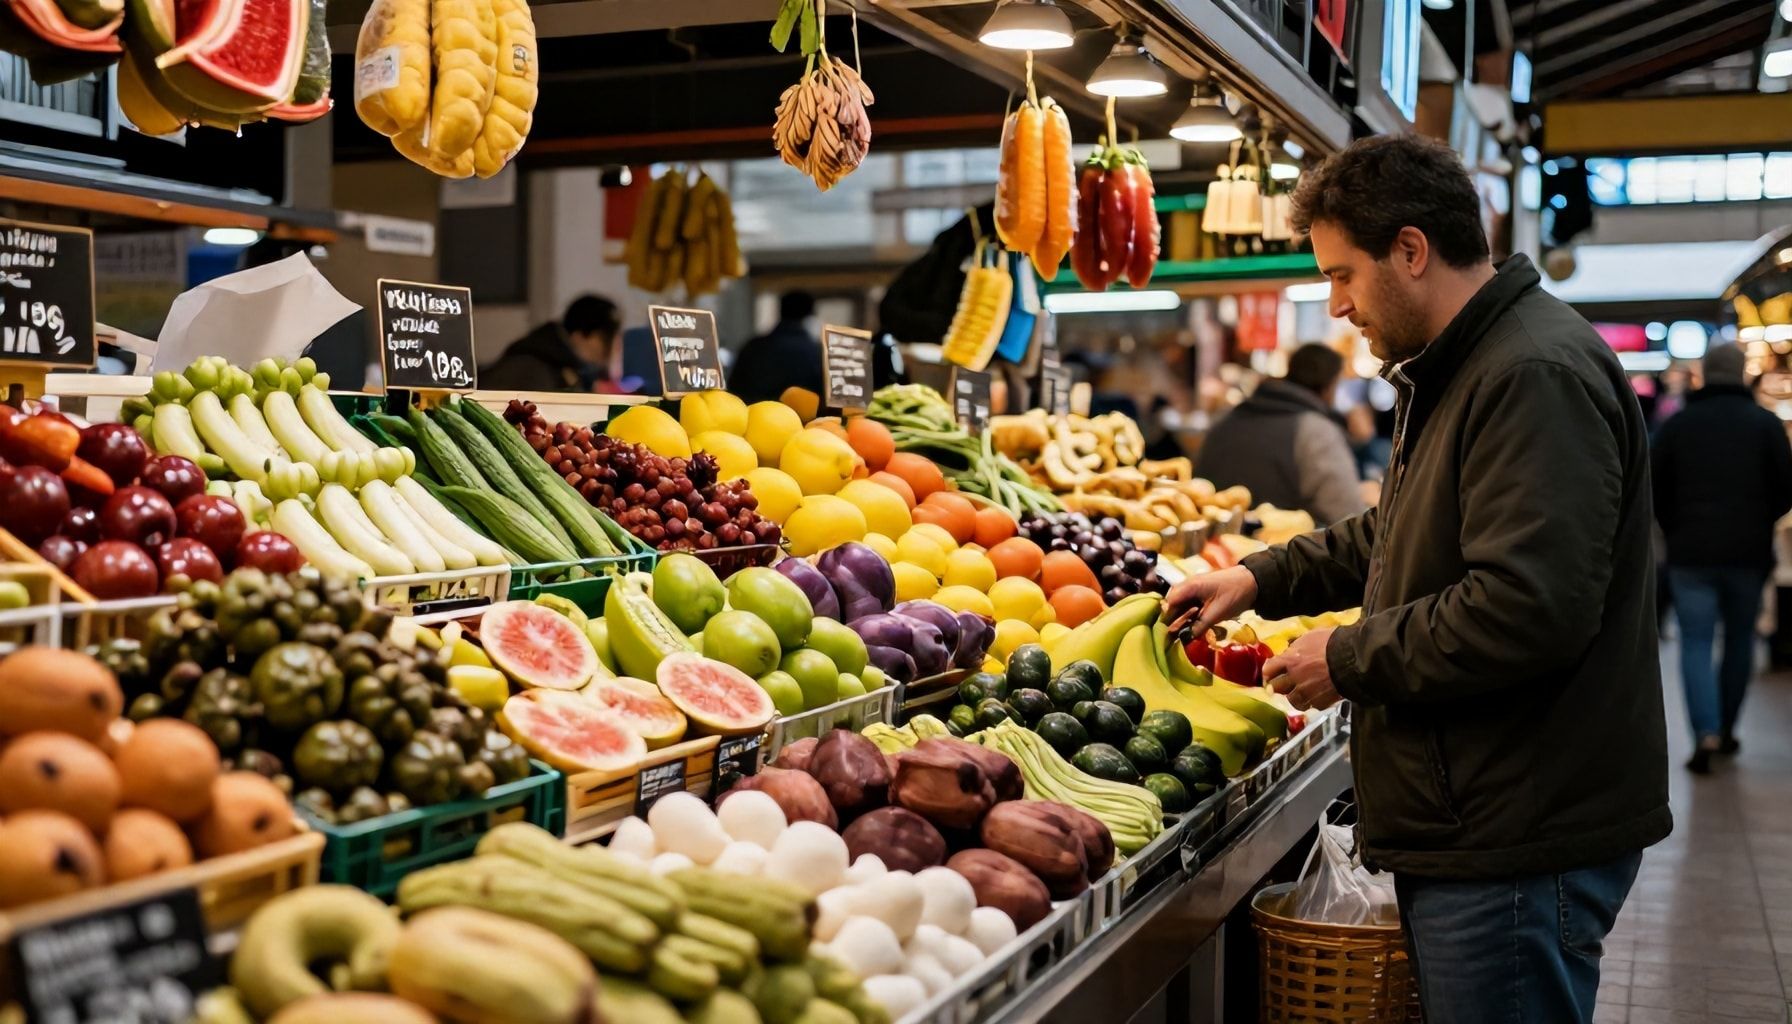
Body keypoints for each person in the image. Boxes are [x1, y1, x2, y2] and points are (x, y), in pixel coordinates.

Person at [1162, 135, 1669, 1024]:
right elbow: (1398, 534)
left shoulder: (1529, 374)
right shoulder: (1465, 367)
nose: (1338, 304)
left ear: (1410, 249)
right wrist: (1258, 576)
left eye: (1343, 275)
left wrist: (1350, 657)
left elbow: (1527, 607)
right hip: (1487, 810)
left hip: (1517, 828)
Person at [1651, 342, 1792, 773]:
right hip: (1747, 554)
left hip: (1690, 554)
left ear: (1705, 376)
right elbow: (1786, 491)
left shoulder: (1678, 426)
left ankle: (1705, 732)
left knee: (1694, 641)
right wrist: (1760, 521)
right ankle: (1729, 728)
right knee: (1738, 641)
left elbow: (1654, 488)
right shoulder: (1765, 425)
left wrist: (1675, 529)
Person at [1194, 343, 1366, 525]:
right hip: (1279, 549)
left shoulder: (1226, 419)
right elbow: (1346, 517)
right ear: (1330, 385)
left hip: (1209, 545)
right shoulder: (1316, 432)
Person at [480, 295, 619, 392]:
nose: (611, 349)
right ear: (580, 335)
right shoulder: (535, 369)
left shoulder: (556, 363)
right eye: (604, 339)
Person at [730, 292, 823, 404]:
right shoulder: (816, 352)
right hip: (805, 420)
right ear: (811, 315)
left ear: (780, 311)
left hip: (752, 417)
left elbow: (734, 388)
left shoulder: (753, 347)